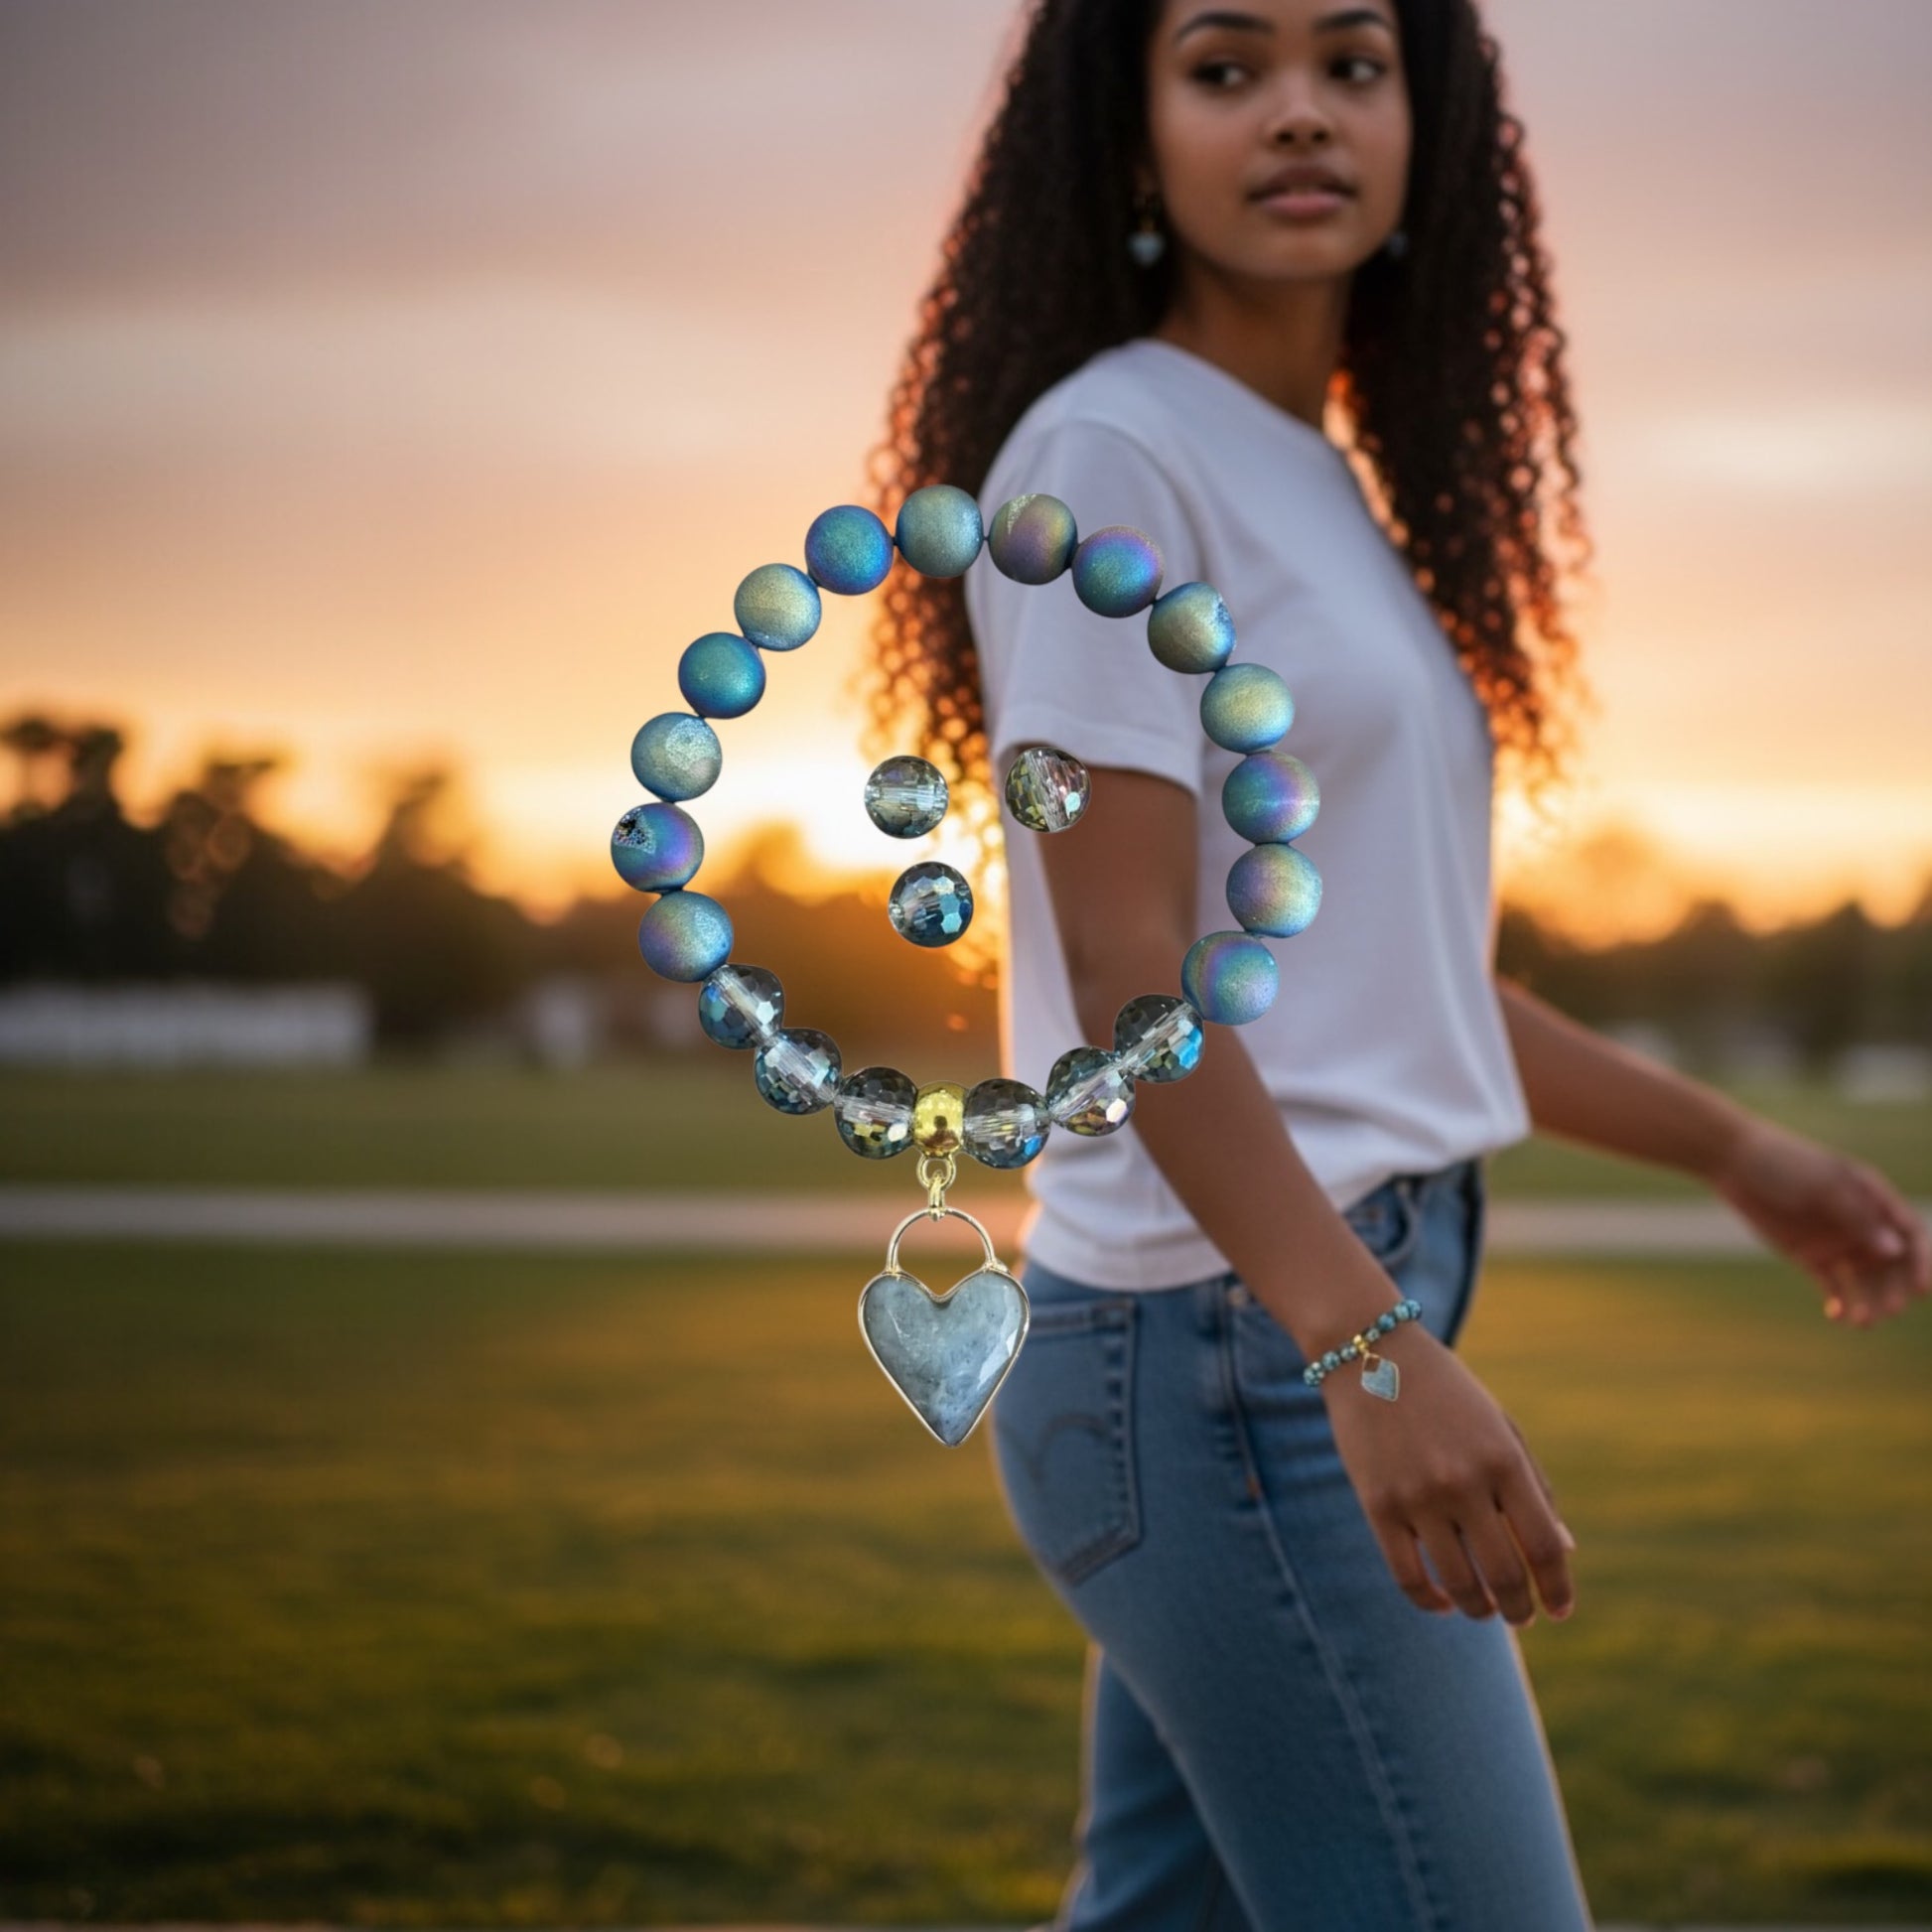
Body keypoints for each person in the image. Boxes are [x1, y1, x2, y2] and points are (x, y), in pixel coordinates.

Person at [857, 1, 1932, 1925]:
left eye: (1353, 64)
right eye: (1225, 64)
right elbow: (1132, 978)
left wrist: (1736, 1154)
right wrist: (1361, 1345)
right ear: (1127, 132)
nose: (1298, 113)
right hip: (1227, 1356)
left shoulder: (1311, 476)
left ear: (1428, 124)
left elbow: (1407, 984)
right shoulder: (1106, 454)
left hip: (1266, 1321)